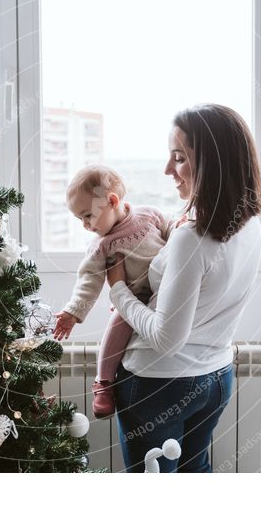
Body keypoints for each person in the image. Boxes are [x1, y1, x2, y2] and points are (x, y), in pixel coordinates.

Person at [105, 103, 261, 472]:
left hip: (159, 384)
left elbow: (166, 338)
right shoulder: (248, 223)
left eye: (179, 158)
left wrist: (118, 290)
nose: (168, 169)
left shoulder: (193, 238)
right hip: (215, 378)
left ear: (214, 162)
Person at [53, 165, 176, 419]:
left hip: (167, 289)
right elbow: (89, 280)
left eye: (87, 216)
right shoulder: (101, 246)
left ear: (112, 201)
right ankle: (104, 383)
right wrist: (73, 311)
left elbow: (170, 228)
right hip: (135, 297)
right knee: (117, 325)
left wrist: (180, 226)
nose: (86, 226)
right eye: (80, 220)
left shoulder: (149, 215)